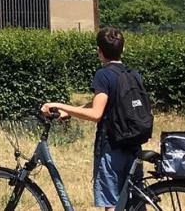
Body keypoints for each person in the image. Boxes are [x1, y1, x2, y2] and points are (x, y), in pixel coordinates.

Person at [41, 26, 147, 211]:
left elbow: (97, 113)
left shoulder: (103, 75)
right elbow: (104, 103)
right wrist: (72, 112)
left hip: (111, 147)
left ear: (99, 51)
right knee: (134, 204)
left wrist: (60, 105)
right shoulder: (132, 74)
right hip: (133, 144)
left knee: (112, 204)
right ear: (123, 49)